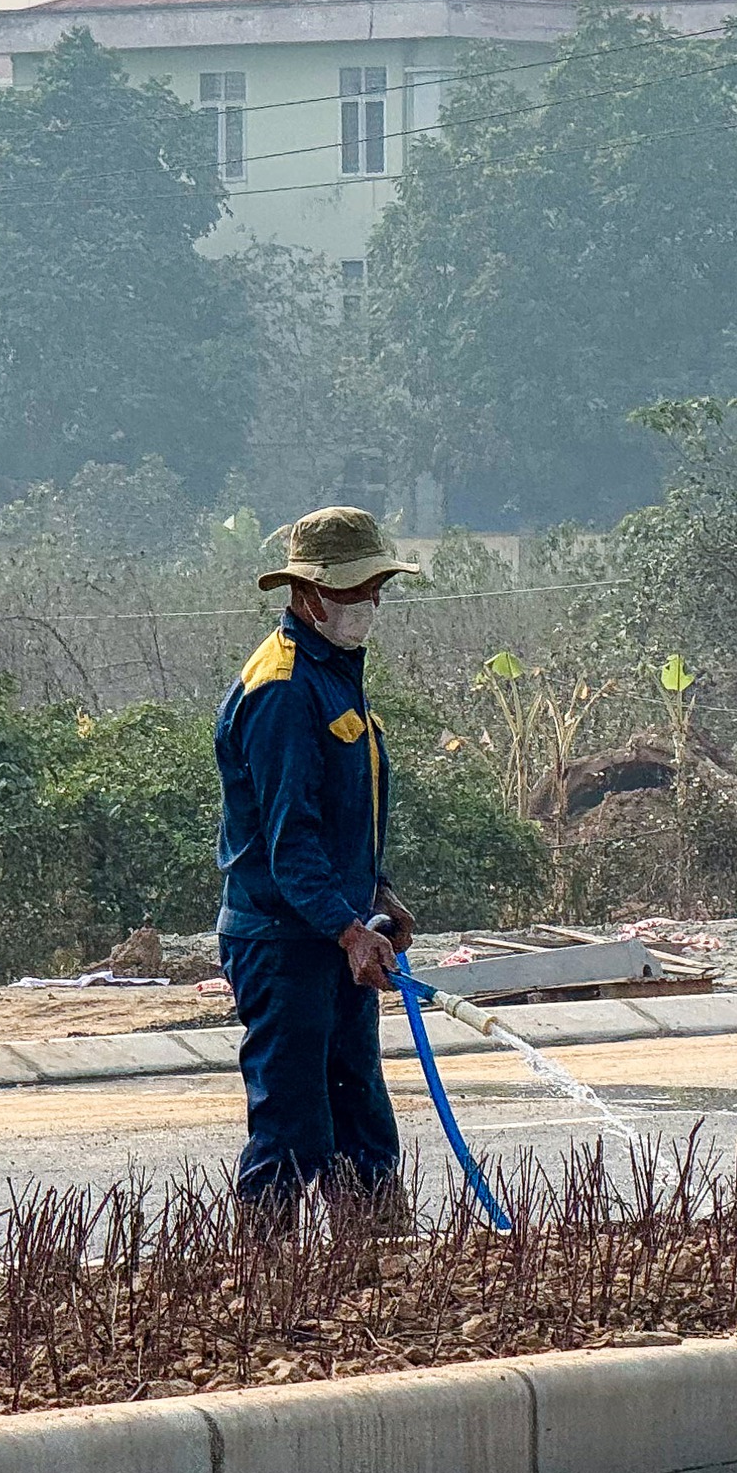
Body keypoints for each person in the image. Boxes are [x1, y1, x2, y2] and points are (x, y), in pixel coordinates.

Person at [214, 505, 422, 1226]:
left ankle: (375, 1278)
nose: (369, 603)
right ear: (308, 595)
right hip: (284, 944)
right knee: (293, 1131)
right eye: (355, 589)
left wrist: (378, 896)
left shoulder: (338, 676)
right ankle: (265, 1286)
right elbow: (290, 841)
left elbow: (342, 820)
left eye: (376, 588)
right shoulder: (281, 688)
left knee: (361, 1122)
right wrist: (346, 929)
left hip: (338, 935)